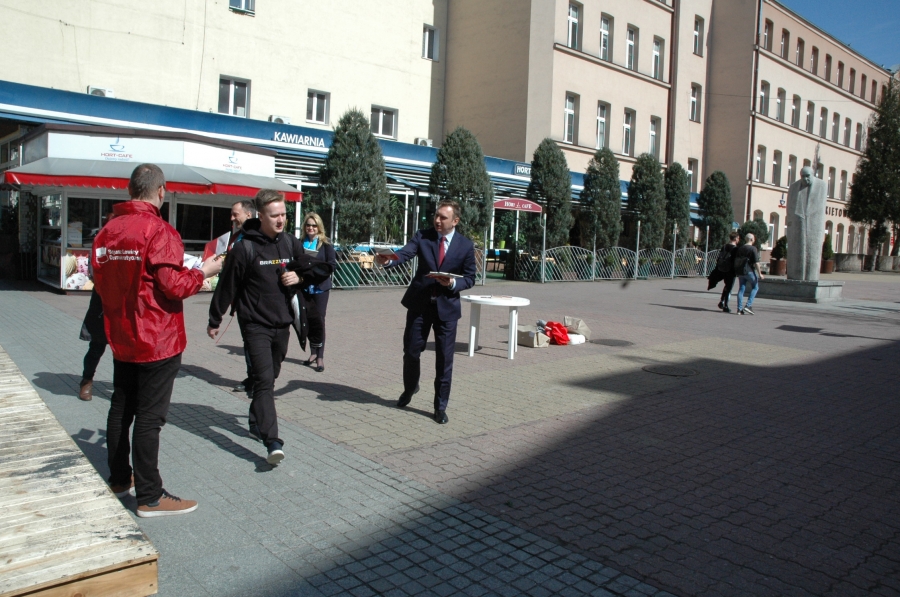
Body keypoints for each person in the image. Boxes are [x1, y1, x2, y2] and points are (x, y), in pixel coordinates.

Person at [92, 163, 223, 517]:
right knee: (149, 418)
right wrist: (203, 271)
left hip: (123, 334)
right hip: (157, 338)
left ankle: (120, 478)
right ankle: (150, 496)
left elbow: (99, 279)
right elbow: (173, 286)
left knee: (121, 408)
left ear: (129, 190)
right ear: (161, 191)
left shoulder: (107, 231)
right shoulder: (159, 231)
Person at [208, 190, 332, 465]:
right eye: (275, 215)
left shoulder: (289, 243)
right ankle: (272, 441)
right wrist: (215, 319)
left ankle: (256, 420)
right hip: (254, 324)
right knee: (264, 380)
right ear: (260, 216)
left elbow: (321, 268)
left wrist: (299, 277)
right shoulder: (245, 248)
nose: (281, 220)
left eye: (284, 215)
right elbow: (227, 285)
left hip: (282, 324)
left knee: (270, 376)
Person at [374, 200, 477, 425]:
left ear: (455, 221)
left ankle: (440, 407)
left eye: (443, 217)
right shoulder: (423, 236)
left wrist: (452, 283)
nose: (437, 220)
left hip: (447, 309)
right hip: (419, 305)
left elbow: (470, 278)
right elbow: (404, 254)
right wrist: (388, 260)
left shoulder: (465, 245)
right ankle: (410, 388)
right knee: (411, 351)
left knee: (444, 360)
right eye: (436, 216)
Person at [77, 212, 115, 401]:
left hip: (124, 304)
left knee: (122, 352)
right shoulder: (100, 242)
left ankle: (122, 388)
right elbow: (95, 272)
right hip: (102, 302)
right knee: (96, 347)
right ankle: (86, 381)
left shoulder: (129, 243)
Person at [300, 212, 336, 372]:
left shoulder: (325, 244)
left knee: (319, 321)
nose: (311, 228)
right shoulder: (300, 243)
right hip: (304, 287)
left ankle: (320, 356)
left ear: (319, 227)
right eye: (308, 225)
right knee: (307, 320)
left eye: (314, 225)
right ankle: (313, 353)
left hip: (320, 287)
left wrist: (317, 267)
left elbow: (332, 265)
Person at [228, 199, 256, 394]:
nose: (232, 218)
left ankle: (259, 380)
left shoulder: (257, 237)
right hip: (239, 298)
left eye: (235, 214)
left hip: (254, 298)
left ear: (248, 214)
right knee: (247, 340)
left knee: (255, 341)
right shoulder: (236, 237)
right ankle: (252, 377)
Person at [706, 232, 740, 313]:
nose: (739, 240)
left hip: (721, 269)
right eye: (738, 238)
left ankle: (722, 301)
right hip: (731, 271)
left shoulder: (724, 246)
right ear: (736, 239)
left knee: (726, 286)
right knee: (729, 287)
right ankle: (725, 305)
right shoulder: (736, 249)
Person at [734, 233, 765, 315]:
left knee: (741, 289)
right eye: (754, 238)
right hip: (749, 271)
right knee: (755, 287)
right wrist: (760, 273)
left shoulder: (740, 248)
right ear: (751, 239)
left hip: (740, 271)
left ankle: (739, 309)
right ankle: (748, 305)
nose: (754, 240)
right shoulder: (753, 249)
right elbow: (756, 262)